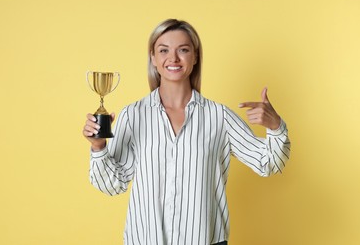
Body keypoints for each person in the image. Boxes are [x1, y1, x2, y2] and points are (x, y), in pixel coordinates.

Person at [83, 19, 291, 245]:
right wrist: (98, 147)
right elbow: (113, 185)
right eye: (164, 50)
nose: (173, 58)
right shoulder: (133, 115)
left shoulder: (218, 117)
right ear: (153, 57)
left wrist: (275, 126)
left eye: (183, 50)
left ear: (195, 57)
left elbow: (267, 163)